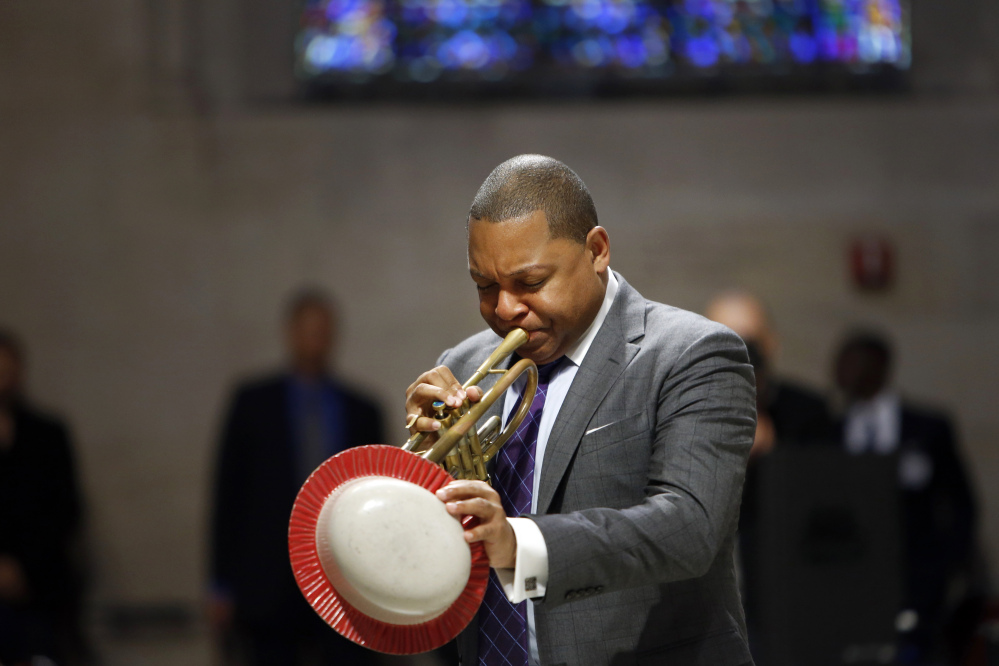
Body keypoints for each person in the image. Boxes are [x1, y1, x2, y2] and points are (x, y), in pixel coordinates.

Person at [405, 155, 757, 666]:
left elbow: (689, 527)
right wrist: (418, 473)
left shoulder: (691, 353)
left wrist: (519, 544)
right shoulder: (461, 364)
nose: (504, 309)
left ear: (596, 250)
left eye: (529, 283)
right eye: (484, 286)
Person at [209, 289, 385, 666]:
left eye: (323, 331)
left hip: (343, 575)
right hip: (268, 577)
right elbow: (228, 495)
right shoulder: (254, 402)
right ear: (290, 333)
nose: (315, 340)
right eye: (307, 330)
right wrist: (221, 584)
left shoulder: (361, 409)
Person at [833, 330, 977, 664]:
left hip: (916, 589)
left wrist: (949, 565)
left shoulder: (927, 428)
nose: (839, 370)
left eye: (851, 360)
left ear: (879, 365)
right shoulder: (829, 429)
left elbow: (960, 502)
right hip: (849, 588)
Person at [0, 329, 86, 665]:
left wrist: (22, 569)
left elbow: (63, 510)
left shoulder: (46, 435)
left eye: (7, 371)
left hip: (38, 589)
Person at [705, 291, 833, 457]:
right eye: (721, 342)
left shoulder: (809, 414)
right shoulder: (684, 412)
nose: (736, 356)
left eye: (747, 344)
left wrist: (775, 449)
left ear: (770, 344)